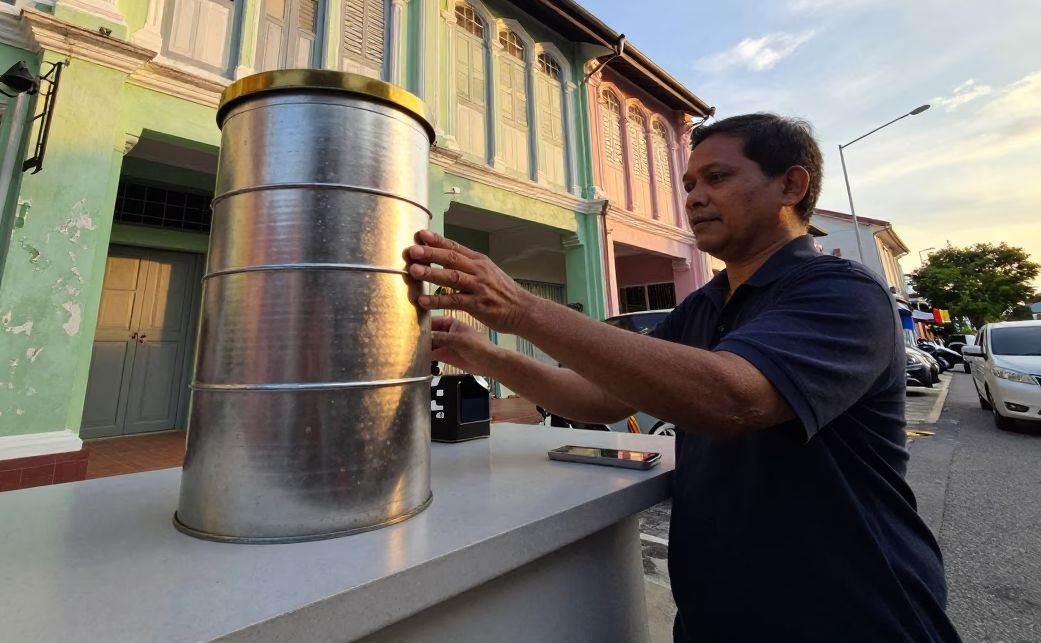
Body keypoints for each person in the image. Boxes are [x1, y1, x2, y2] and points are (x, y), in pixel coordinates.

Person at [406, 113, 961, 643]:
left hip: (849, 612)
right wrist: (487, 355)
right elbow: (601, 399)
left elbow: (730, 399)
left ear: (791, 185)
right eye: (689, 183)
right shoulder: (703, 305)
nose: (693, 198)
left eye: (716, 178)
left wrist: (522, 309)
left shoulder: (842, 292)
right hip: (719, 612)